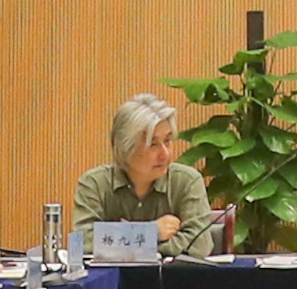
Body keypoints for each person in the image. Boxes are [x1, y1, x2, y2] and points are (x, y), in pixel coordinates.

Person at [71, 90, 223, 253]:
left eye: (167, 141)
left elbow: (199, 246)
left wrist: (128, 247)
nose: (165, 154)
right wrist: (151, 232)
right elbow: (83, 242)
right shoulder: (94, 184)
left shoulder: (187, 182)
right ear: (125, 147)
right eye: (153, 144)